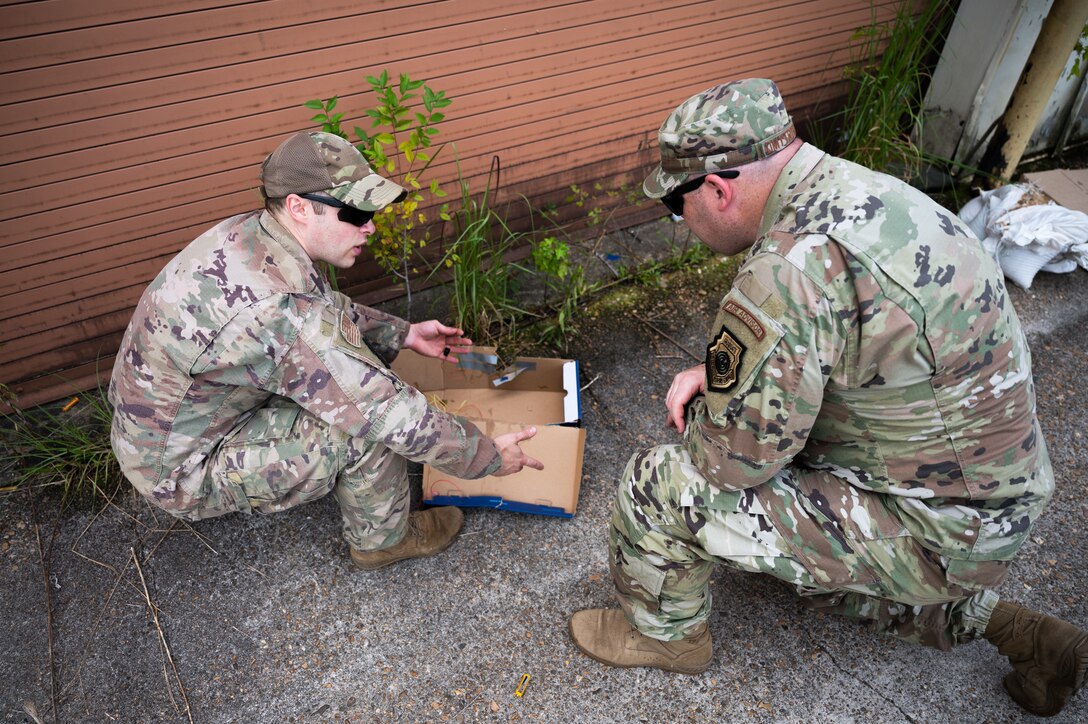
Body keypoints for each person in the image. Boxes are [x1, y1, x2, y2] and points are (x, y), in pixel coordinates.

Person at [568, 79, 1087, 717]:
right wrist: (732, 375)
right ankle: (1026, 636)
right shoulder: (866, 192)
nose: (680, 223)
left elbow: (730, 463)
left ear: (718, 188)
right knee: (803, 557)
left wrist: (719, 408)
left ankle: (667, 638)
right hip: (984, 504)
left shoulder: (790, 267)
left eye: (676, 206)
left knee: (660, 483)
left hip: (938, 523)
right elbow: (851, 341)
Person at [109, 131, 542, 570]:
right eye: (355, 213)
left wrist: (403, 334)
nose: (370, 226)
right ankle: (383, 543)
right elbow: (386, 412)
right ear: (298, 206)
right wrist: (487, 456)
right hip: (182, 470)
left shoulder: (253, 236)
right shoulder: (278, 310)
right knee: (363, 427)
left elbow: (322, 312)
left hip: (161, 429)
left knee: (351, 389)